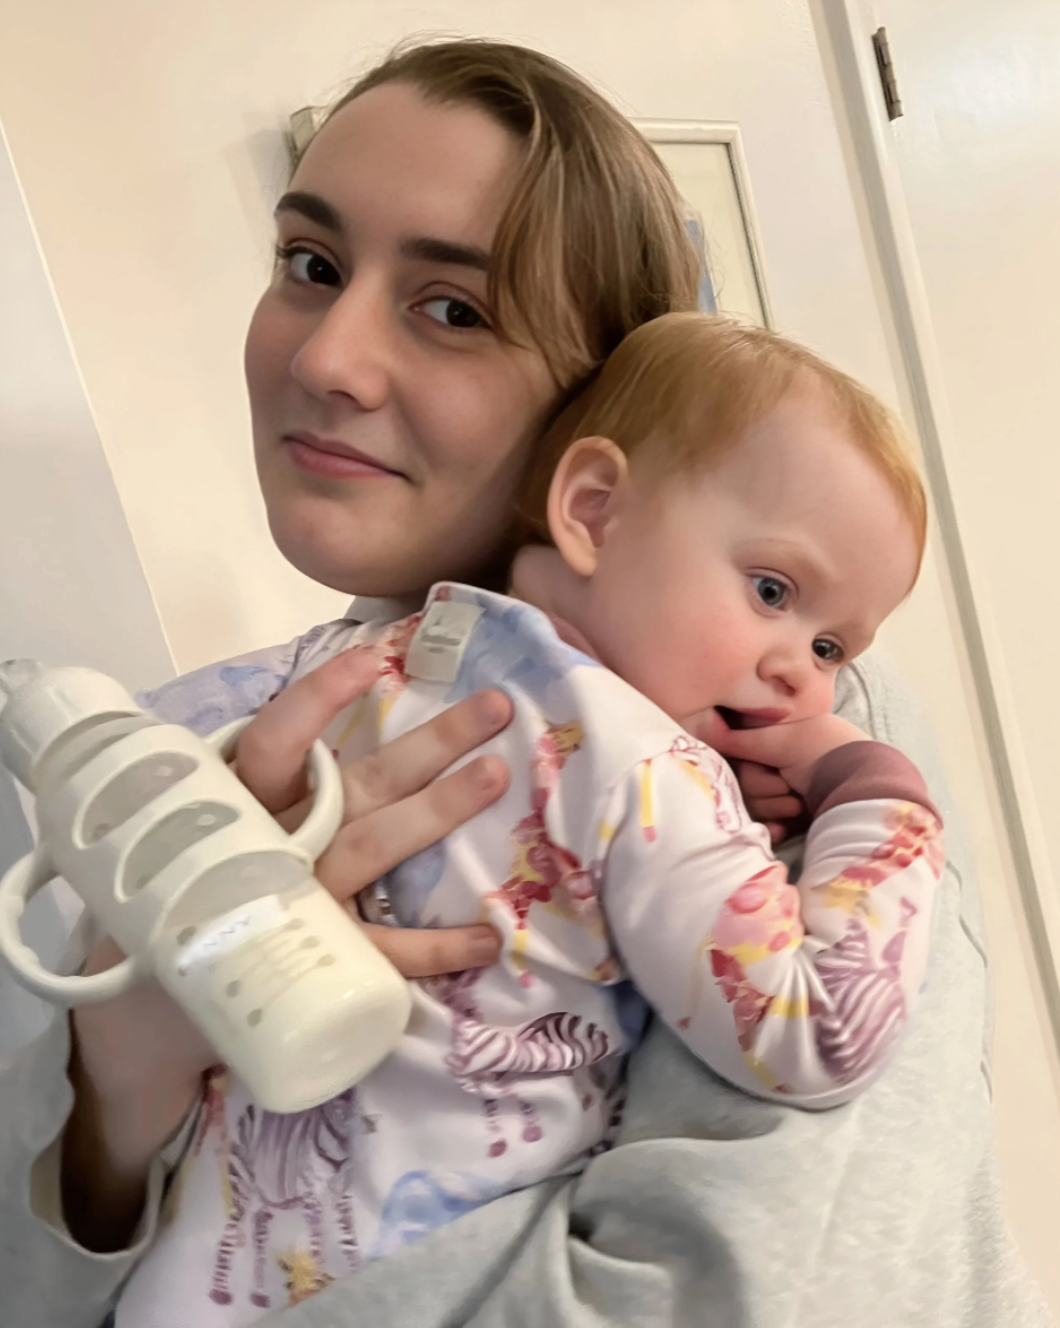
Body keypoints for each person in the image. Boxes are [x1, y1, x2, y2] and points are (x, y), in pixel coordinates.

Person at [0, 36, 1048, 1328]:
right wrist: (117, 1081)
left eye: (452, 309)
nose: (326, 357)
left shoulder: (785, 730)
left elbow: (727, 1295)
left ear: (598, 413)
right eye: (309, 265)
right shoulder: (188, 745)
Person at [113, 312, 943, 1321]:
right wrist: (876, 793)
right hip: (411, 1282)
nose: (795, 672)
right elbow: (818, 1030)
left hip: (186, 1272)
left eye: (830, 650)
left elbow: (139, 753)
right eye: (772, 589)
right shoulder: (648, 768)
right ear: (594, 510)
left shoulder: (376, 653)